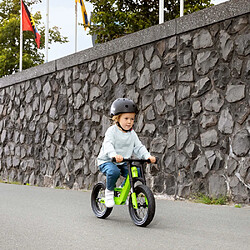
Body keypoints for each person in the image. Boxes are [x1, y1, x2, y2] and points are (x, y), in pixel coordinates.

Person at [97, 98, 156, 208]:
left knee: (136, 171)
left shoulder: (132, 134)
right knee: (114, 172)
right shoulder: (112, 131)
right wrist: (113, 155)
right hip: (107, 161)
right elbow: (108, 145)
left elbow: (139, 147)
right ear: (117, 118)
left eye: (132, 119)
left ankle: (126, 191)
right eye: (126, 118)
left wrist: (147, 156)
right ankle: (109, 192)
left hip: (123, 161)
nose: (129, 122)